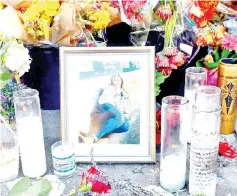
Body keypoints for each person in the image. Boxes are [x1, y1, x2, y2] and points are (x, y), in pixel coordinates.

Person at [79, 74, 131, 144]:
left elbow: (127, 109)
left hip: (124, 122)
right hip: (114, 117)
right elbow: (103, 102)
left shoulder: (125, 94)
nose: (116, 82)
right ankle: (93, 137)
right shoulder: (108, 90)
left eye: (118, 80)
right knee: (117, 116)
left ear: (121, 81)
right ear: (111, 82)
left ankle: (92, 136)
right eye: (114, 80)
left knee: (123, 121)